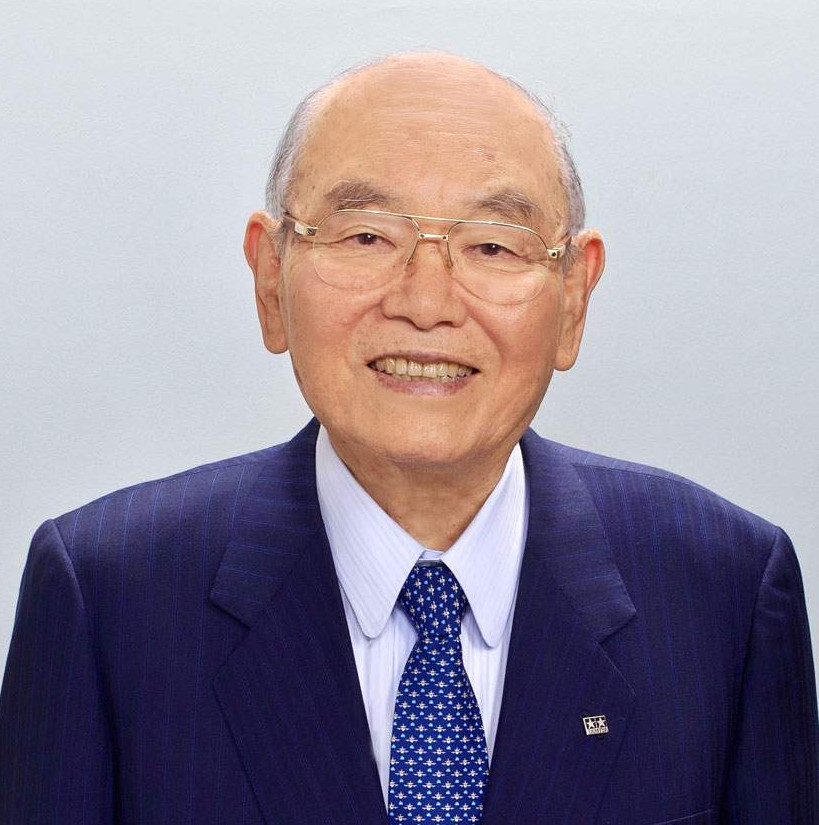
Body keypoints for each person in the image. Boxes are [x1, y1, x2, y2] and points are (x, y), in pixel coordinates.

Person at [1, 51, 816, 825]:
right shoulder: (107, 597)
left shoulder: (724, 589)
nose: (426, 304)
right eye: (366, 236)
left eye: (492, 245)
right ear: (270, 278)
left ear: (573, 295)